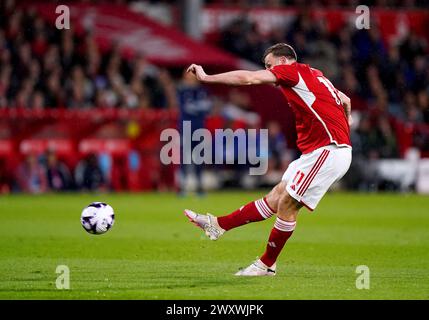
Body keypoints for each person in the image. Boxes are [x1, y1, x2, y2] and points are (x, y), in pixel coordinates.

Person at [184, 43, 353, 276]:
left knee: (287, 204)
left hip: (328, 151)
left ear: (284, 61)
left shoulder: (292, 72)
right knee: (276, 196)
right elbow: (345, 100)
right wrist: (346, 124)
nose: (268, 71)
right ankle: (219, 225)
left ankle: (266, 264)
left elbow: (249, 78)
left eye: (269, 65)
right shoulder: (315, 75)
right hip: (321, 151)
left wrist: (206, 77)